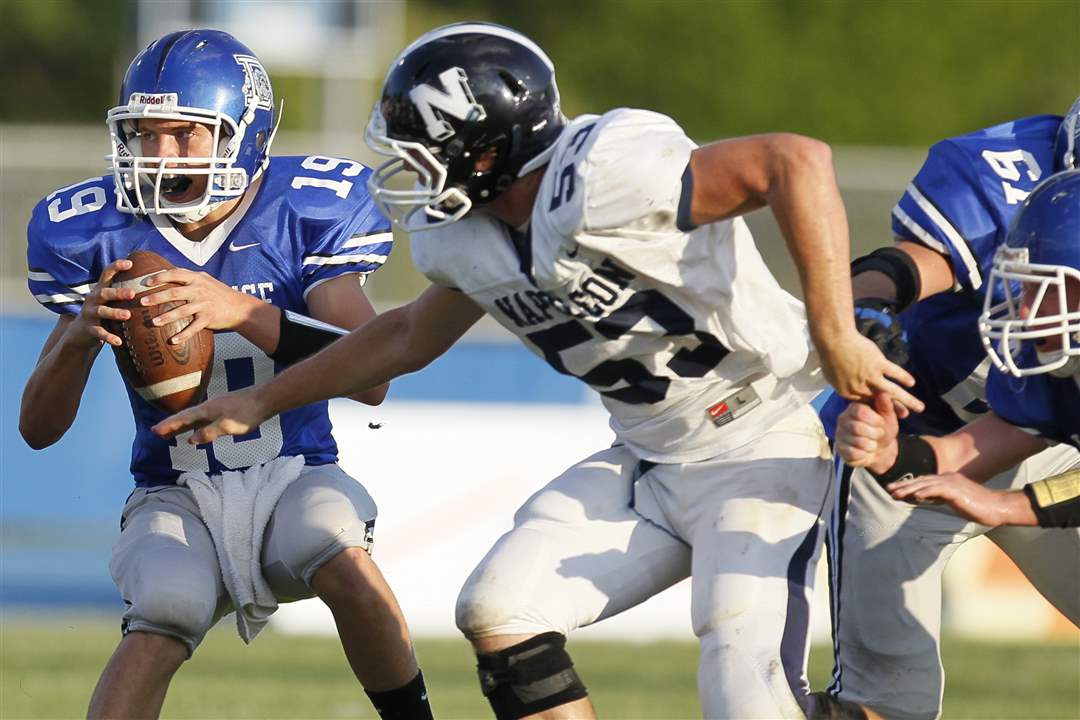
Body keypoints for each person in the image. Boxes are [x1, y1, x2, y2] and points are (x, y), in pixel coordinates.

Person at [154, 22, 921, 720]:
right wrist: (260, 400)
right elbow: (408, 336)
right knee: (500, 610)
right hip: (649, 455)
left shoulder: (608, 173)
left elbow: (795, 161)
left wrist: (836, 333)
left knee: (746, 700)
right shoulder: (467, 236)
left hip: (757, 439)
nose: (408, 169)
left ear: (487, 149)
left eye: (424, 147)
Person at [19, 29, 432, 720]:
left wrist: (239, 311)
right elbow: (36, 429)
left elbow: (370, 375)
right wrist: (79, 340)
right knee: (164, 609)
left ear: (242, 133)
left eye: (183, 133)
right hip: (173, 488)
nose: (159, 154)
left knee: (339, 552)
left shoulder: (303, 209)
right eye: (144, 134)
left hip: (295, 470)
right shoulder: (97, 233)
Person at [821, 97, 1080, 718]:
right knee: (884, 698)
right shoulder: (1006, 170)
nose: (1023, 308)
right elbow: (1022, 421)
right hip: (933, 427)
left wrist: (1006, 504)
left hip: (1046, 457)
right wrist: (862, 319)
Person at [838, 169, 1080, 531]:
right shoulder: (1056, 367)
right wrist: (887, 453)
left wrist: (1004, 505)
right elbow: (956, 458)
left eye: (1047, 290)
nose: (1026, 314)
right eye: (1025, 288)